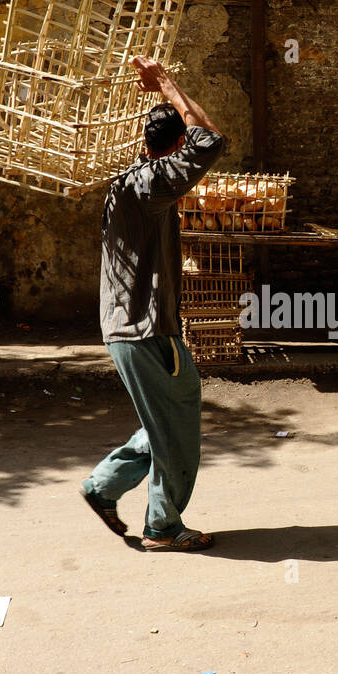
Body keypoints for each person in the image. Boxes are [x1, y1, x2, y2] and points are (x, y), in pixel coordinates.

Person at [80, 56, 227, 551]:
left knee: (168, 421)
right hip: (144, 330)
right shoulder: (153, 184)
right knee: (176, 432)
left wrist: (166, 95)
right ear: (176, 147)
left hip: (132, 327)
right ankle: (160, 525)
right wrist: (165, 83)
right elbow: (210, 138)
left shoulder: (129, 181)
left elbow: (199, 136)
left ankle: (106, 489)